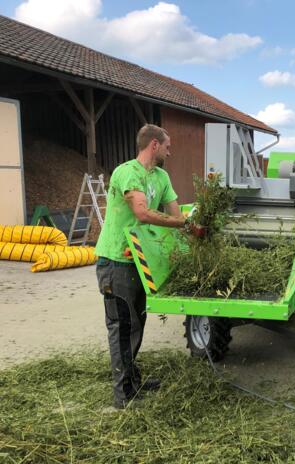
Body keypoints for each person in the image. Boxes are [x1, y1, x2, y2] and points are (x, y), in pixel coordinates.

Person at [95, 124, 202, 409]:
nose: (171, 150)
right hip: (116, 260)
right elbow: (141, 213)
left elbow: (176, 214)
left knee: (136, 324)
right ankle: (122, 395)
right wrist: (185, 224)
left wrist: (195, 233)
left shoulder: (161, 176)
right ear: (154, 145)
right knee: (121, 326)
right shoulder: (127, 172)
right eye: (167, 145)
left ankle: (132, 380)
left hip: (140, 263)